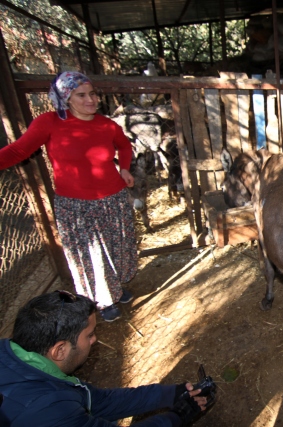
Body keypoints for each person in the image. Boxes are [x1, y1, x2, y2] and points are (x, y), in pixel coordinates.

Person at [0, 71, 138, 322]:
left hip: (113, 198)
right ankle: (102, 300)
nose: (91, 100)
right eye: (81, 95)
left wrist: (125, 168)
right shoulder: (49, 122)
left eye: (92, 94)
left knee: (117, 245)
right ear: (65, 98)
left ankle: (115, 287)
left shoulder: (106, 124)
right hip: (75, 205)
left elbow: (125, 145)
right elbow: (19, 150)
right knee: (91, 254)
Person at [0, 291, 211, 426]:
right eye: (89, 335)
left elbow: (100, 402)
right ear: (59, 350)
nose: (95, 340)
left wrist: (170, 394)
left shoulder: (21, 357)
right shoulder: (49, 409)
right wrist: (177, 417)